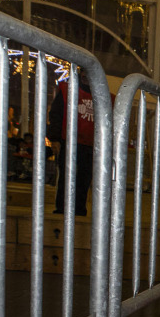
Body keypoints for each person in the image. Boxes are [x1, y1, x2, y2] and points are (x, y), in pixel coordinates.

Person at [49, 77, 98, 216]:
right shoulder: (68, 90)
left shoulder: (99, 92)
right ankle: (63, 208)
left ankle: (78, 209)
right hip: (69, 141)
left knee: (84, 178)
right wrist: (55, 138)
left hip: (89, 144)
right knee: (67, 176)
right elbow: (56, 114)